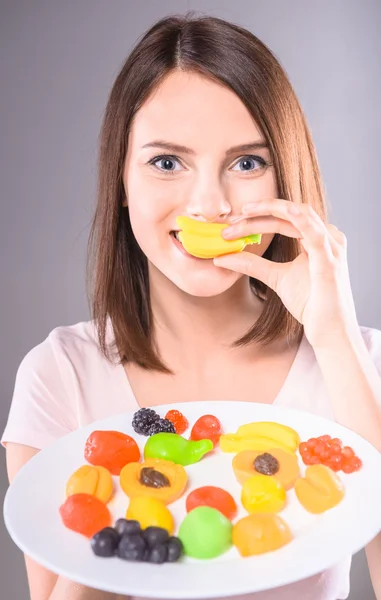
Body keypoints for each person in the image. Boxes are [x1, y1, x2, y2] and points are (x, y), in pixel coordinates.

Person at [2, 12, 381, 600]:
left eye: (247, 163)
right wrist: (127, 502)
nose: (208, 205)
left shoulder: (358, 364)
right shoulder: (60, 375)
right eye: (167, 162)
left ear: (286, 175)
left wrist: (334, 338)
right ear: (122, 184)